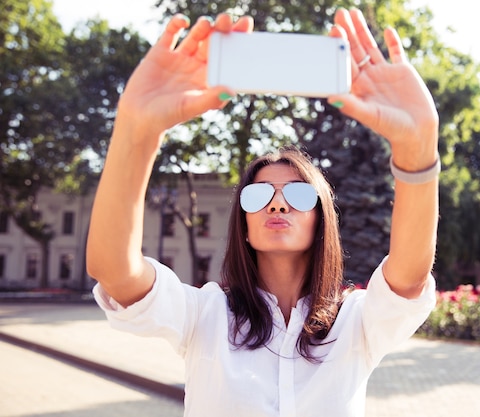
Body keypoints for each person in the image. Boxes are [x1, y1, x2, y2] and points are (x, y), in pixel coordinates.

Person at [86, 7, 439, 417]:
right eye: (257, 195)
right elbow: (114, 269)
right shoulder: (205, 315)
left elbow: (409, 277)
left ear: (321, 218)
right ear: (244, 226)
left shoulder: (357, 323)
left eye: (299, 195)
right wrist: (136, 128)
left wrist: (418, 149)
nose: (277, 203)